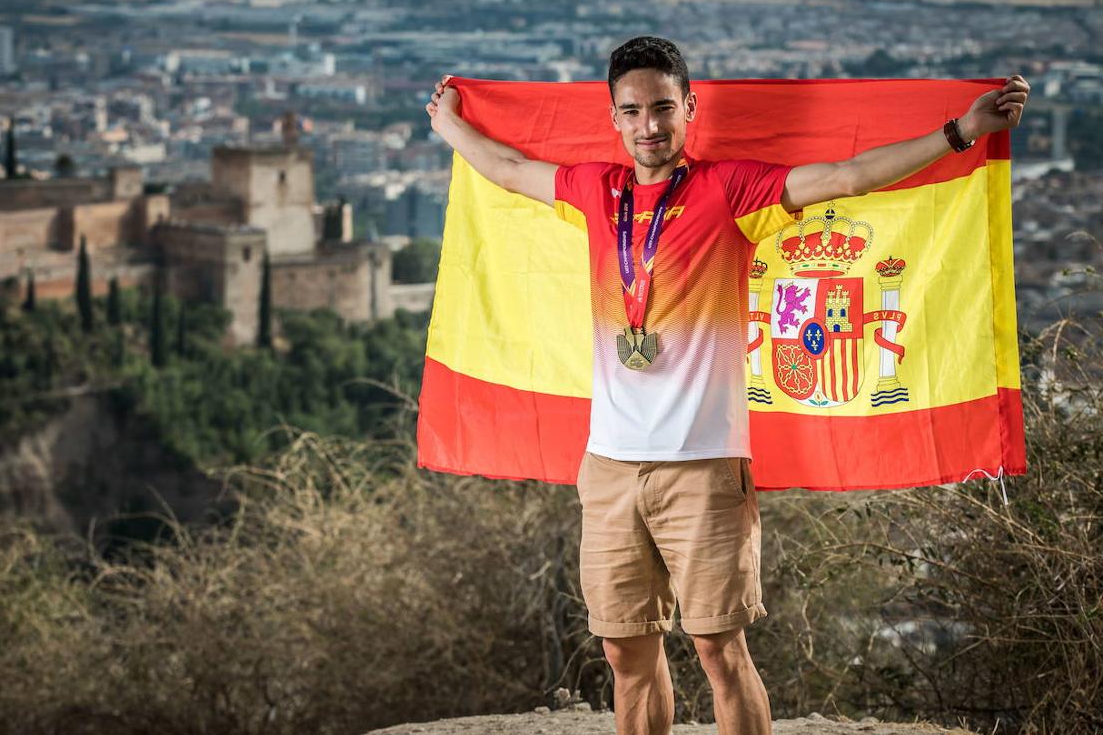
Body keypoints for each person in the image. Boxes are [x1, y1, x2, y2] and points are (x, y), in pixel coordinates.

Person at [424, 36, 1028, 735]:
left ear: (689, 108)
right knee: (623, 648)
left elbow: (849, 175)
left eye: (661, 108)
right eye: (633, 111)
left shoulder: (730, 190)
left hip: (705, 467)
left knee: (717, 645)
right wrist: (448, 125)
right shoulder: (595, 190)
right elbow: (506, 167)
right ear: (613, 119)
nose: (649, 125)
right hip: (610, 469)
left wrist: (961, 132)